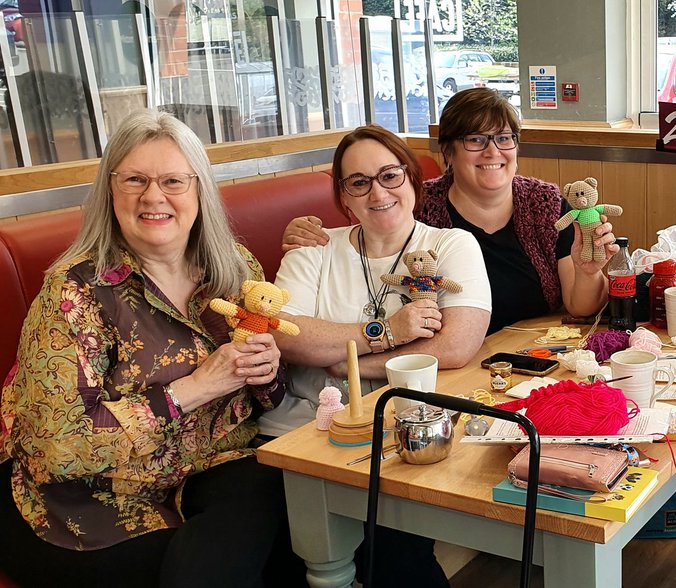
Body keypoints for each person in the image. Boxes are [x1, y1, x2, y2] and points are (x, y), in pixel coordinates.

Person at [0, 110, 304, 587]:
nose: (153, 197)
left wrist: (267, 373)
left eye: (173, 181)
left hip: (202, 466)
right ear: (110, 192)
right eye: (135, 180)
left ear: (199, 190)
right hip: (80, 501)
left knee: (287, 499)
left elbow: (266, 400)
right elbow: (56, 449)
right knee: (232, 557)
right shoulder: (73, 293)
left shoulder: (234, 268)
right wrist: (194, 388)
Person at [263, 124, 491, 588]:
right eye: (359, 182)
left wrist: (349, 360)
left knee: (396, 559)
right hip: (300, 435)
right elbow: (285, 334)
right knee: (285, 562)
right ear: (344, 196)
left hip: (399, 436)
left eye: (390, 176)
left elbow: (457, 344)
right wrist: (388, 332)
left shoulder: (450, 246)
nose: (378, 192)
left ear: (411, 180)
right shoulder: (314, 252)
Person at [282, 87, 616, 333]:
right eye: (475, 140)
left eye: (503, 138)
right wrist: (304, 232)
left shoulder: (544, 205)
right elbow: (367, 229)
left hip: (530, 350)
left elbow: (579, 306)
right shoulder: (416, 208)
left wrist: (588, 272)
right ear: (448, 151)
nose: (492, 152)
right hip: (450, 360)